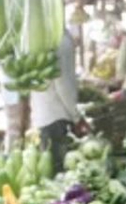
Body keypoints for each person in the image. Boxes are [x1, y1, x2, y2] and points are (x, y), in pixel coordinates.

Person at [30, 31, 87, 173]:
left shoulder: (39, 38)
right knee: (59, 172)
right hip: (58, 117)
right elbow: (63, 85)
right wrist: (76, 117)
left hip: (43, 115)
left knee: (49, 169)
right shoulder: (61, 41)